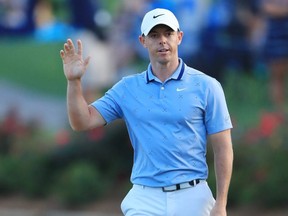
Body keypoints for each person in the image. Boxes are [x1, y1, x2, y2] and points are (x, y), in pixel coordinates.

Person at [60, 8, 233, 216]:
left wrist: (221, 203)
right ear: (143, 41)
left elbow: (223, 147)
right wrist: (74, 82)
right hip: (145, 198)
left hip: (193, 195)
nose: (162, 41)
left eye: (168, 34)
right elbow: (82, 121)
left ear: (179, 37)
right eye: (154, 35)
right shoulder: (127, 88)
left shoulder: (207, 86)